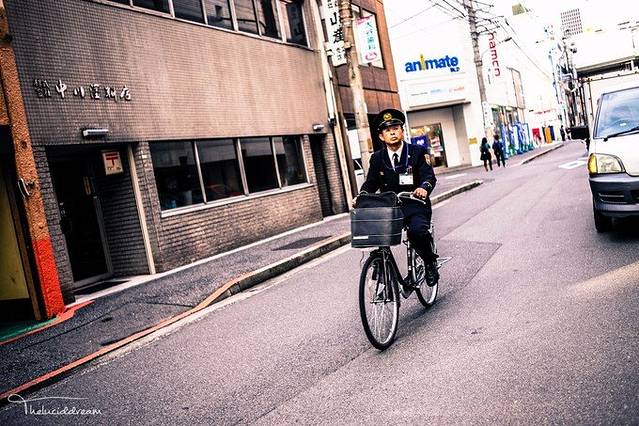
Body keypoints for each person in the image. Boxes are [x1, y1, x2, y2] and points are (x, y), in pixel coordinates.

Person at [356, 108, 439, 287]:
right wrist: (361, 196)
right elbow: (371, 182)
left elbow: (429, 176)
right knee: (377, 235)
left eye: (395, 128)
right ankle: (382, 272)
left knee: (416, 232)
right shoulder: (377, 158)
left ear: (402, 131)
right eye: (387, 130)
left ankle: (429, 262)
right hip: (391, 209)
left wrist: (423, 188)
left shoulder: (417, 152)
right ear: (381, 136)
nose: (392, 132)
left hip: (415, 205)